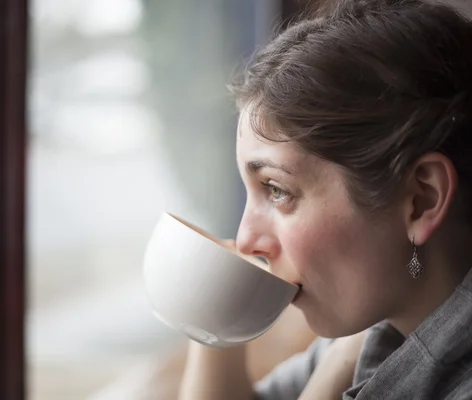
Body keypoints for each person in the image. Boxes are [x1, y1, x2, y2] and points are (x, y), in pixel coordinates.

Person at [178, 0, 472, 399]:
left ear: (421, 199)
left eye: (277, 190)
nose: (245, 239)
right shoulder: (375, 335)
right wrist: (219, 310)